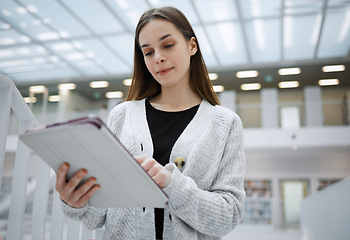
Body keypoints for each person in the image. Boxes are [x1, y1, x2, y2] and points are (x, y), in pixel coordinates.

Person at [55, 6, 246, 240]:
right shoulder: (122, 116)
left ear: (192, 46)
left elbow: (228, 216)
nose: (158, 58)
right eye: (148, 52)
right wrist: (75, 200)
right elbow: (100, 216)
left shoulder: (225, 124)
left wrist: (171, 184)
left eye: (167, 45)